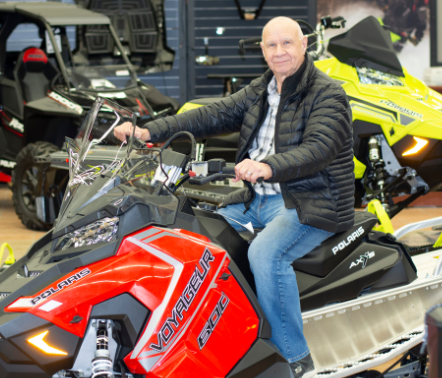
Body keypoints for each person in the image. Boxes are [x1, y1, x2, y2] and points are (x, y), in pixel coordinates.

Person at [114, 16, 354, 378]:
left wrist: (268, 166)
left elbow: (319, 149)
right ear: (262, 50)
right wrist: (149, 131)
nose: (279, 52)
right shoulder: (261, 89)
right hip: (252, 200)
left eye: (287, 43)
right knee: (191, 240)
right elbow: (211, 115)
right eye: (271, 45)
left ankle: (295, 358)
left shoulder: (328, 94)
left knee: (264, 254)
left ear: (304, 44)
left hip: (309, 201)